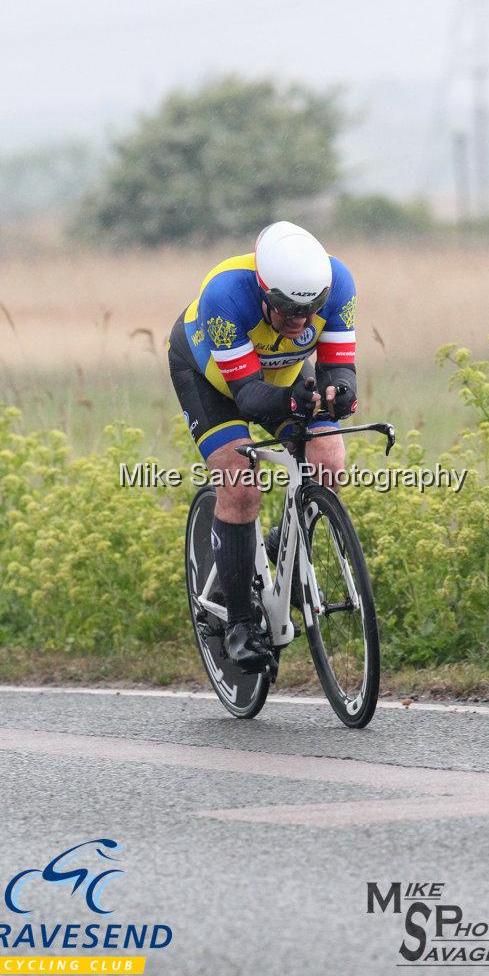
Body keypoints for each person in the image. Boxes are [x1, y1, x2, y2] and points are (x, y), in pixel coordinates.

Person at [168, 221, 358, 672]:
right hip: (213, 382)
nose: (299, 321)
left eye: (309, 311)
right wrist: (300, 401)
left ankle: (279, 546)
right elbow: (250, 398)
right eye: (286, 310)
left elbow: (341, 368)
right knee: (240, 484)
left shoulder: (339, 284)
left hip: (282, 375)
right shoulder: (225, 294)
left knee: (329, 462)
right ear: (261, 290)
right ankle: (239, 624)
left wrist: (341, 393)